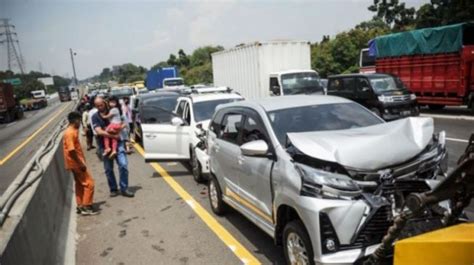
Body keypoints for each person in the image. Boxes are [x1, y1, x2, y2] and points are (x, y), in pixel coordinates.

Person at [92, 97, 134, 198]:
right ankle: (113, 188)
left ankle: (124, 188)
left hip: (118, 143)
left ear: (105, 103)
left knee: (123, 165)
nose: (99, 107)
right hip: (104, 146)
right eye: (97, 106)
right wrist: (113, 135)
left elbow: (124, 123)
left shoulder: (115, 111)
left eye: (101, 105)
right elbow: (99, 131)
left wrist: (119, 129)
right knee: (108, 169)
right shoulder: (95, 116)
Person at [63, 111, 98, 215]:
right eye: (79, 121)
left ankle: (80, 205)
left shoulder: (72, 130)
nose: (80, 123)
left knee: (79, 184)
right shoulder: (70, 132)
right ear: (75, 120)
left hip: (73, 163)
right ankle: (87, 206)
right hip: (76, 164)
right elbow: (71, 150)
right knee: (89, 183)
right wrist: (80, 163)